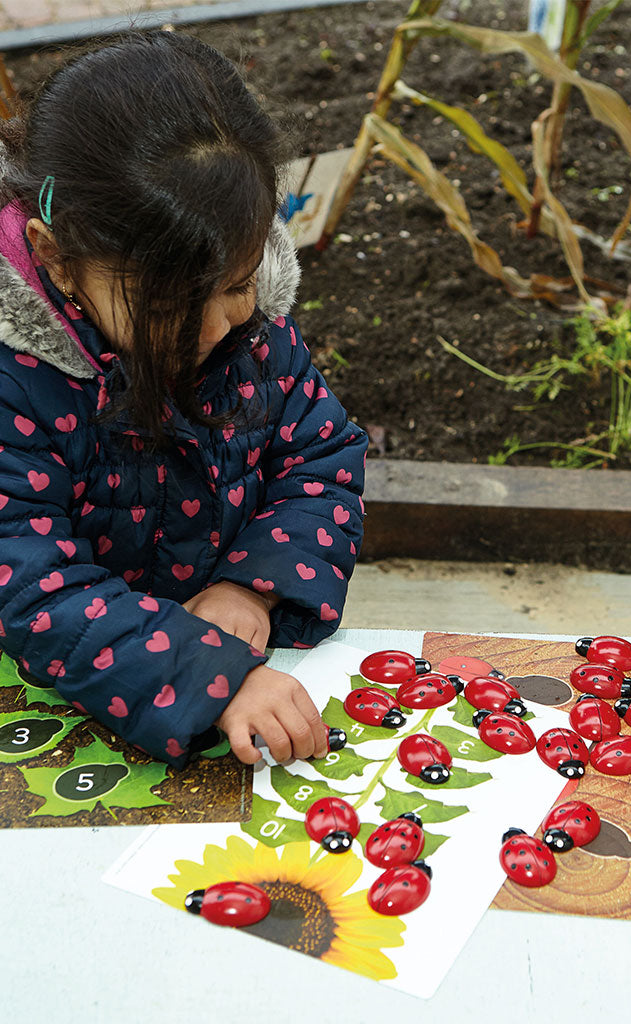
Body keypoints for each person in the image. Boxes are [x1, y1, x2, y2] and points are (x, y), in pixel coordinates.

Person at [0, 32, 368, 768]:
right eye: (168, 302)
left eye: (234, 285)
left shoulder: (255, 332)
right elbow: (33, 589)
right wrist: (206, 673)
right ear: (54, 257)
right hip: (48, 693)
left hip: (227, 676)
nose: (212, 328)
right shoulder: (17, 383)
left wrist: (250, 588)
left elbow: (320, 459)